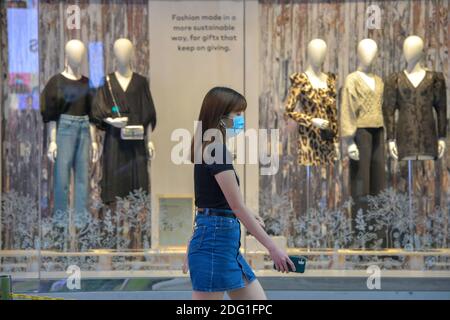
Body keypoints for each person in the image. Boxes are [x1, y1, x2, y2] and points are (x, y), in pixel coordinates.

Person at [183, 87, 294, 300]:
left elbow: (215, 201)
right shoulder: (215, 150)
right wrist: (273, 248)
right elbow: (235, 206)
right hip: (214, 243)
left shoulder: (210, 149)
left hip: (223, 244)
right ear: (221, 117)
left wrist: (249, 214)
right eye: (238, 114)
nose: (242, 120)